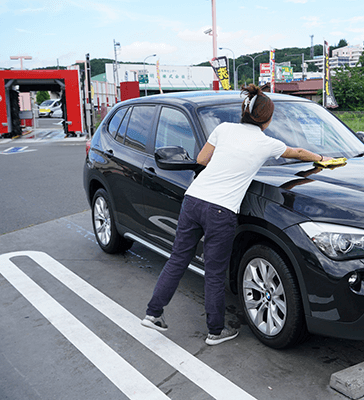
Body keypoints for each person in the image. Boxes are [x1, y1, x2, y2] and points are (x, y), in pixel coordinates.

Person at [141, 84, 332, 345]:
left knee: (178, 259)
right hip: (220, 211)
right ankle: (215, 331)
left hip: (193, 199)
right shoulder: (267, 143)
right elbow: (298, 153)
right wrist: (321, 157)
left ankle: (153, 314)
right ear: (267, 119)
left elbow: (202, 159)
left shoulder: (223, 129)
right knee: (215, 271)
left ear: (244, 111)